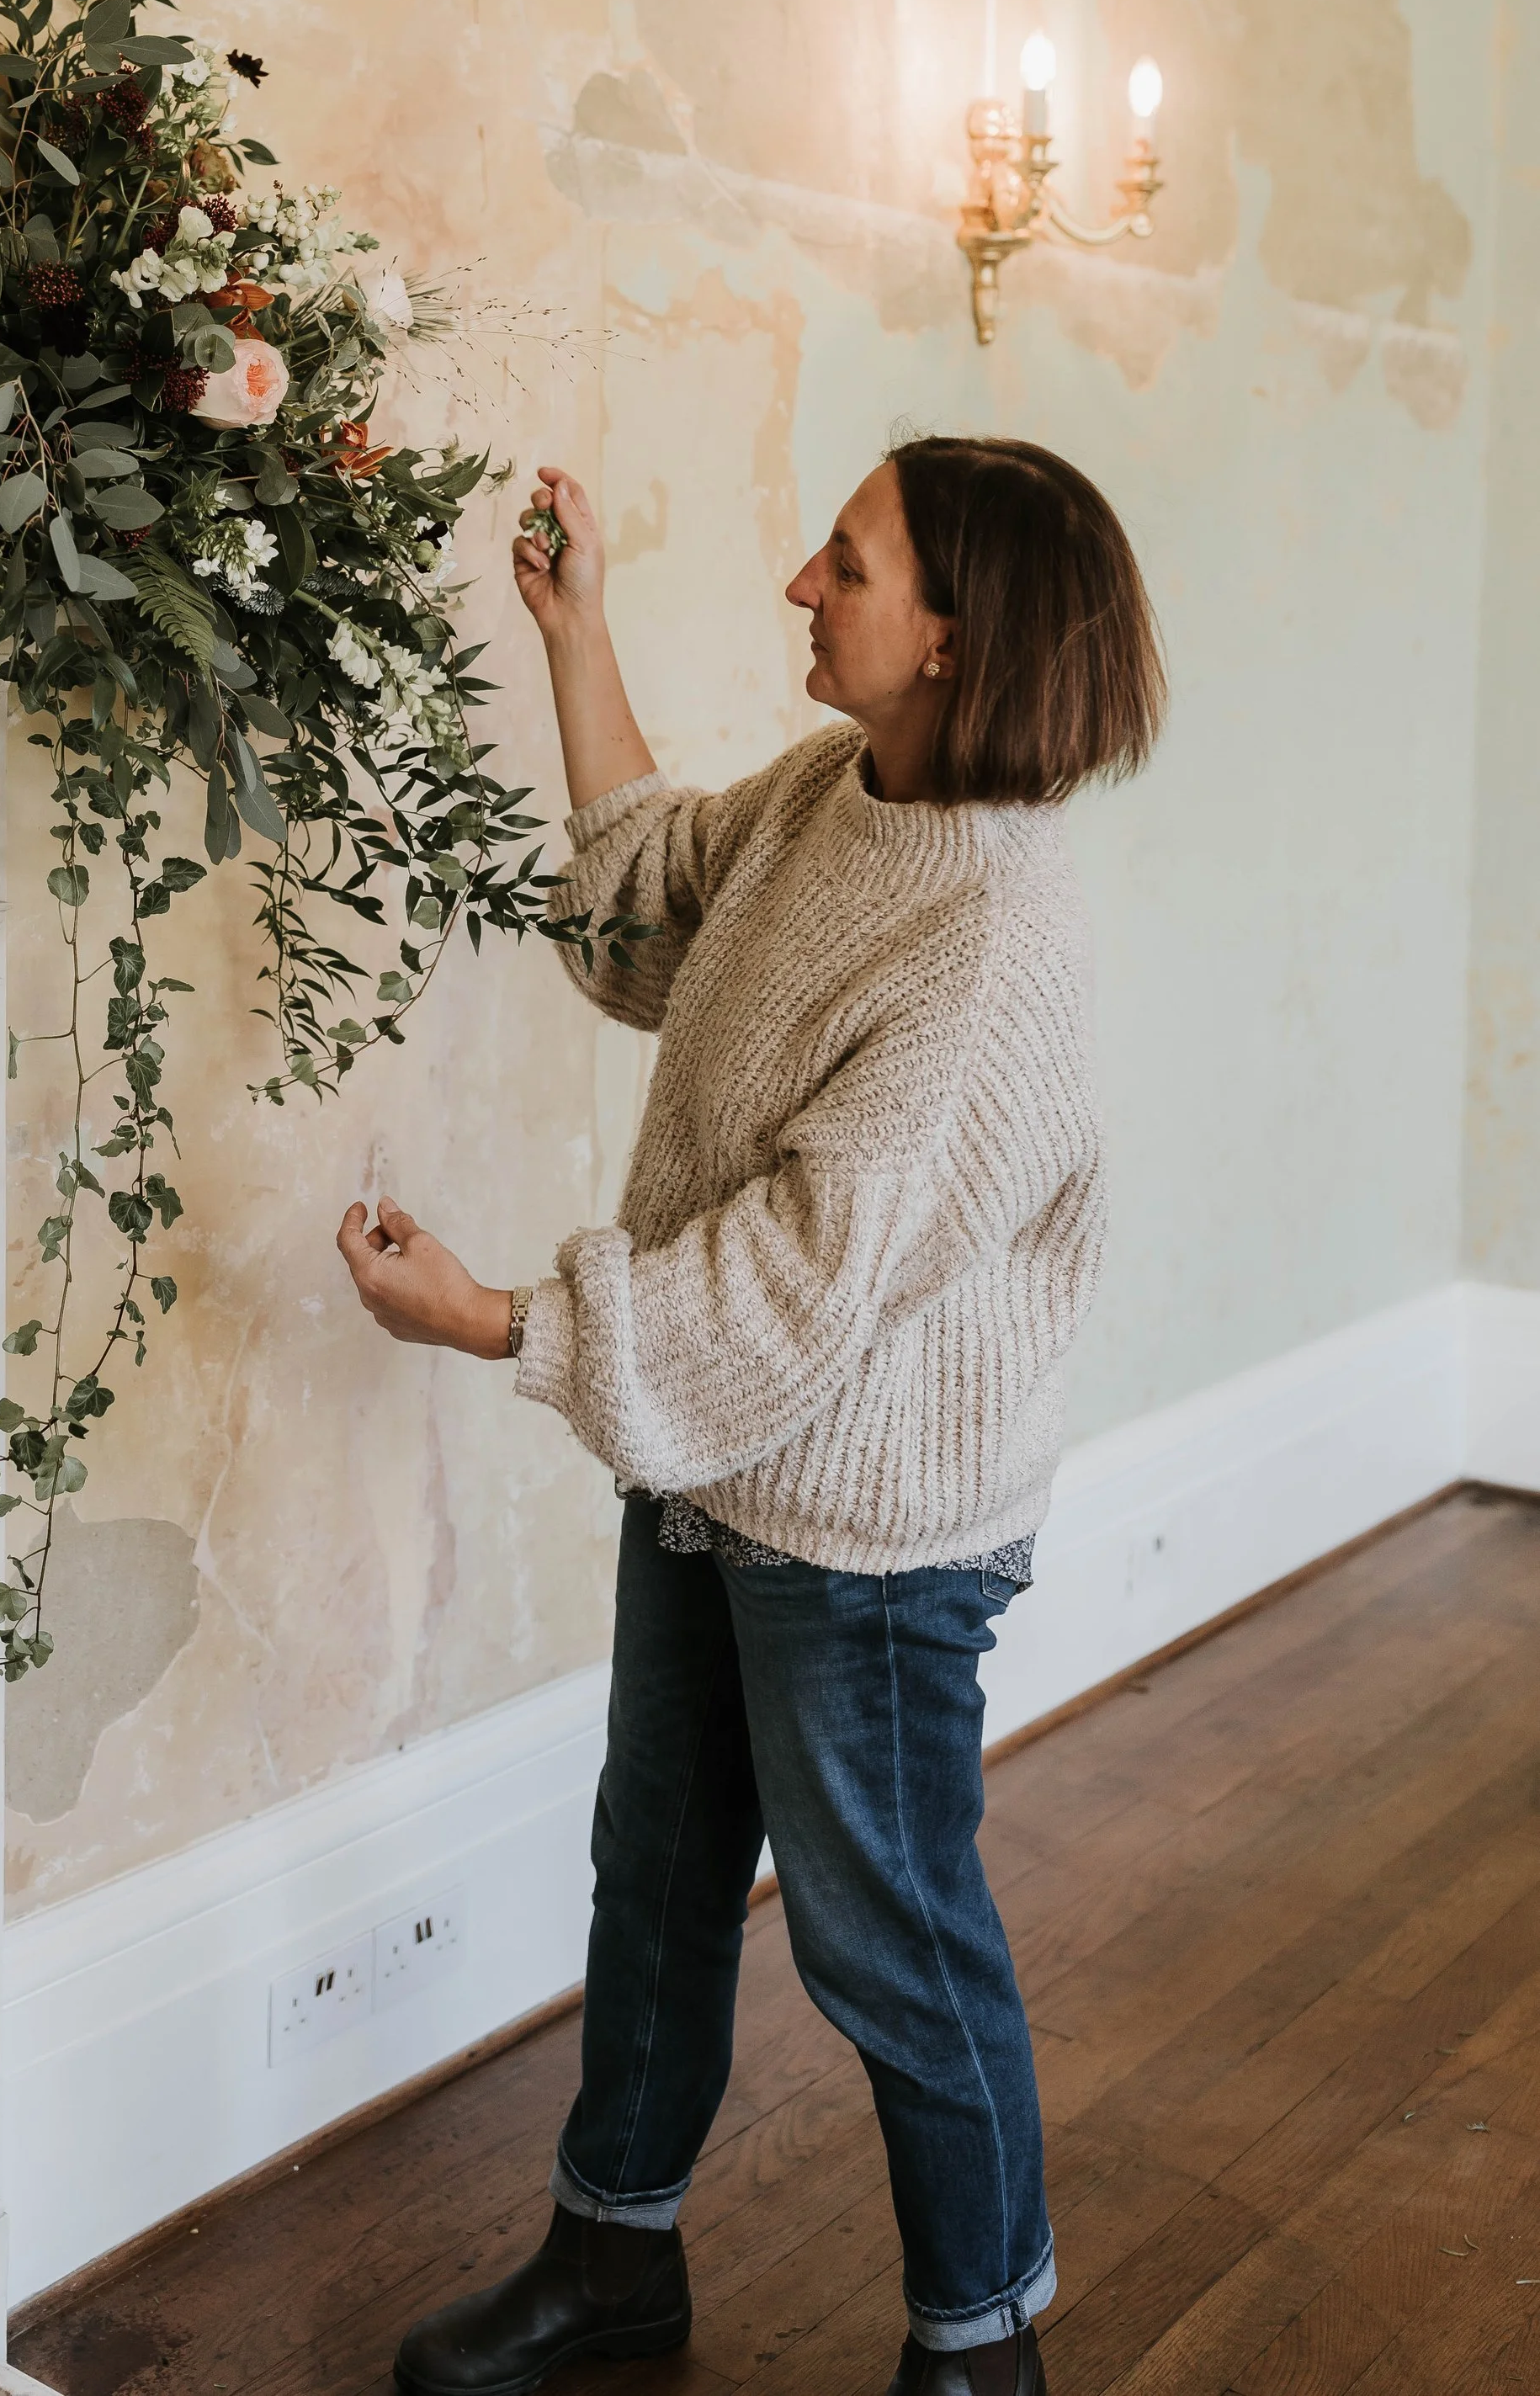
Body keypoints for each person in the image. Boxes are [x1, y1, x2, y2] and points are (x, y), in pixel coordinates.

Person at [336, 436, 1166, 2396]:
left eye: (846, 563)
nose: (801, 582)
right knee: (660, 1873)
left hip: (871, 1531)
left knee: (887, 1944)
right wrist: (574, 632)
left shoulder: (988, 945)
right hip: (723, 1456)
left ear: (955, 642)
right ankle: (609, 2257)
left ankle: (982, 2349)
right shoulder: (833, 791)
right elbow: (652, 905)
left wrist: (492, 1322)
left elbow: (793, 1277)